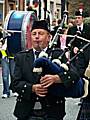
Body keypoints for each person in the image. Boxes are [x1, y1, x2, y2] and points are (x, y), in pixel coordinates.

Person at [10, 20, 81, 120]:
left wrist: (57, 78)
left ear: (49, 37)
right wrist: (32, 88)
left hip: (53, 112)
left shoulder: (58, 54)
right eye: (34, 34)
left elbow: (74, 74)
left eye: (41, 33)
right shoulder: (21, 57)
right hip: (26, 112)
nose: (37, 36)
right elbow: (14, 84)